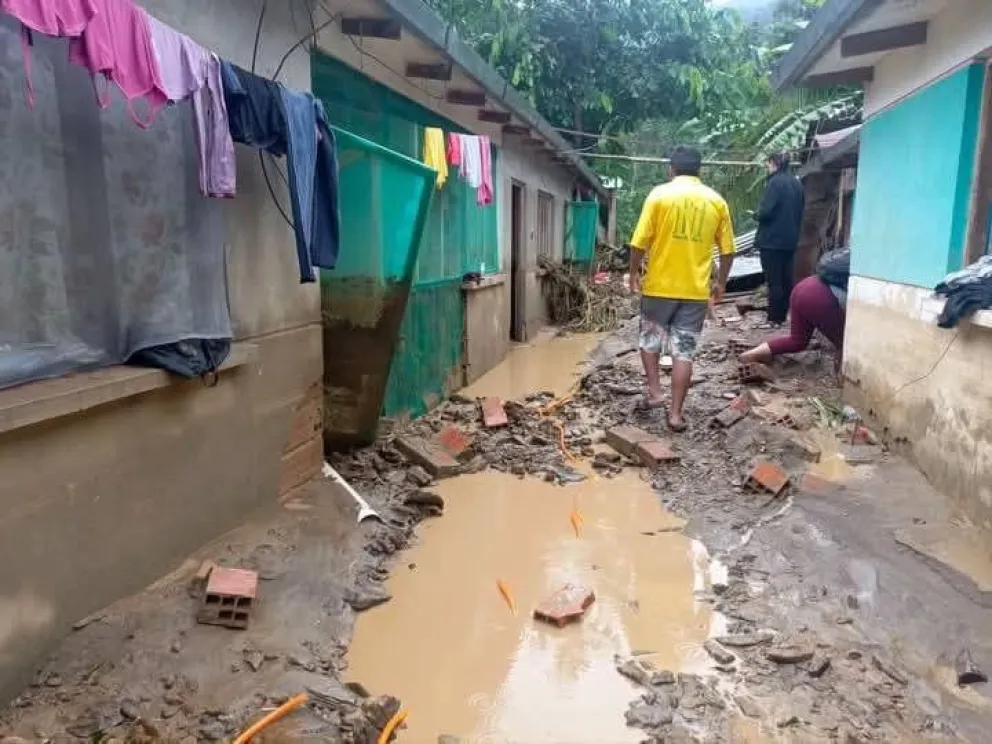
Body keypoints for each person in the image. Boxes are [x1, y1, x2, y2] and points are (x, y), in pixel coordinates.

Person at [628, 145, 735, 431]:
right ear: (699, 170)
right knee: (683, 352)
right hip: (694, 293)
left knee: (650, 342)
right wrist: (720, 283)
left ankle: (655, 392)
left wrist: (633, 273)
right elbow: (728, 252)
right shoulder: (716, 202)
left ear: (671, 168)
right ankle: (675, 415)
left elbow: (639, 243)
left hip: (658, 287)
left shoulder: (659, 196)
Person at [740, 248, 850, 367]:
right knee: (845, 343)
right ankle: (843, 380)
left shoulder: (845, 262)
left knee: (797, 341)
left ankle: (752, 354)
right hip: (820, 298)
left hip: (803, 287)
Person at [754, 150, 805, 326]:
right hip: (790, 240)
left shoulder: (774, 183)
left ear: (774, 163)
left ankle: (774, 318)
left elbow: (766, 211)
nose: (767, 168)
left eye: (768, 164)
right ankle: (784, 315)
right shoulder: (797, 183)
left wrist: (756, 215)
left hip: (772, 240)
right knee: (786, 279)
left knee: (774, 281)